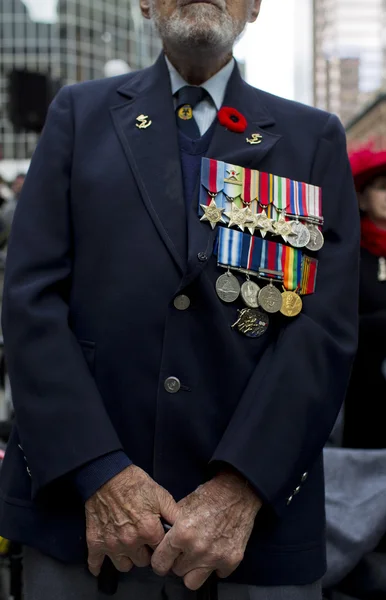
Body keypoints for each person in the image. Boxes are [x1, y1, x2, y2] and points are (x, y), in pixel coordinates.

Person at [0, 1, 359, 599]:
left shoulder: (312, 138)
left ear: (255, 6)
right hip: (82, 520)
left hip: (254, 531)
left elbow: (322, 331)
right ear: (143, 1)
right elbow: (31, 301)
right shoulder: (79, 116)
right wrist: (100, 473)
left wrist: (240, 488)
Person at [343, 147, 386, 449]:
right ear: (362, 198)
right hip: (369, 393)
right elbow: (339, 320)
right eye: (383, 188)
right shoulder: (350, 253)